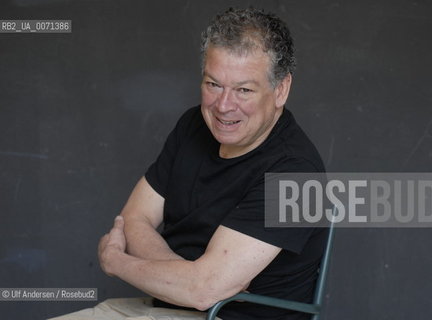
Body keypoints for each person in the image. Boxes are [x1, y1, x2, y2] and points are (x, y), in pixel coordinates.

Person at [52, 7, 326, 320]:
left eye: (244, 90)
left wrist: (118, 263)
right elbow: (133, 218)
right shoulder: (194, 126)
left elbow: (203, 292)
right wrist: (187, 279)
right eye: (213, 84)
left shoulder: (297, 174)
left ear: (281, 90)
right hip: (165, 308)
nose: (223, 106)